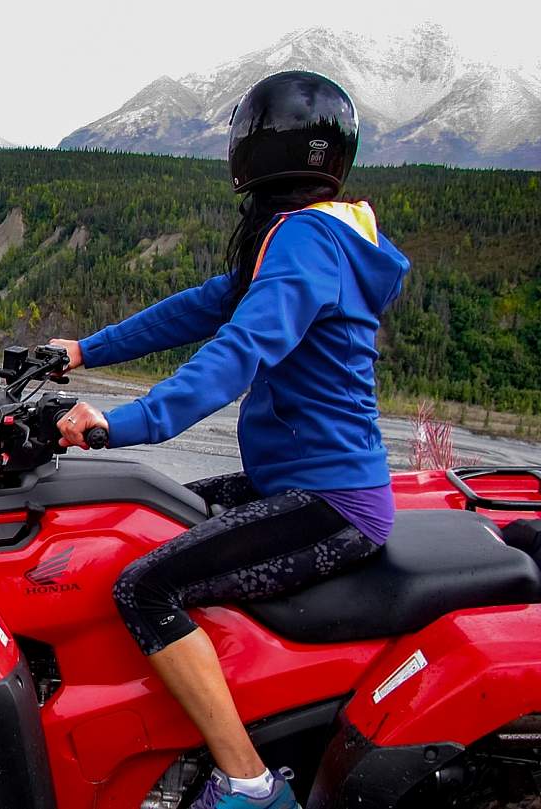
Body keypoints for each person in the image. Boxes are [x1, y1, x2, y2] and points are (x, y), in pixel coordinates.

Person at [52, 70, 410, 809]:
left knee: (146, 584)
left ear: (259, 146)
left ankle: (248, 782)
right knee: (160, 516)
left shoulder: (309, 240)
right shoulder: (304, 233)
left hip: (333, 504)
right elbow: (199, 309)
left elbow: (241, 347)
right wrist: (82, 351)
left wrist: (125, 423)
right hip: (301, 487)